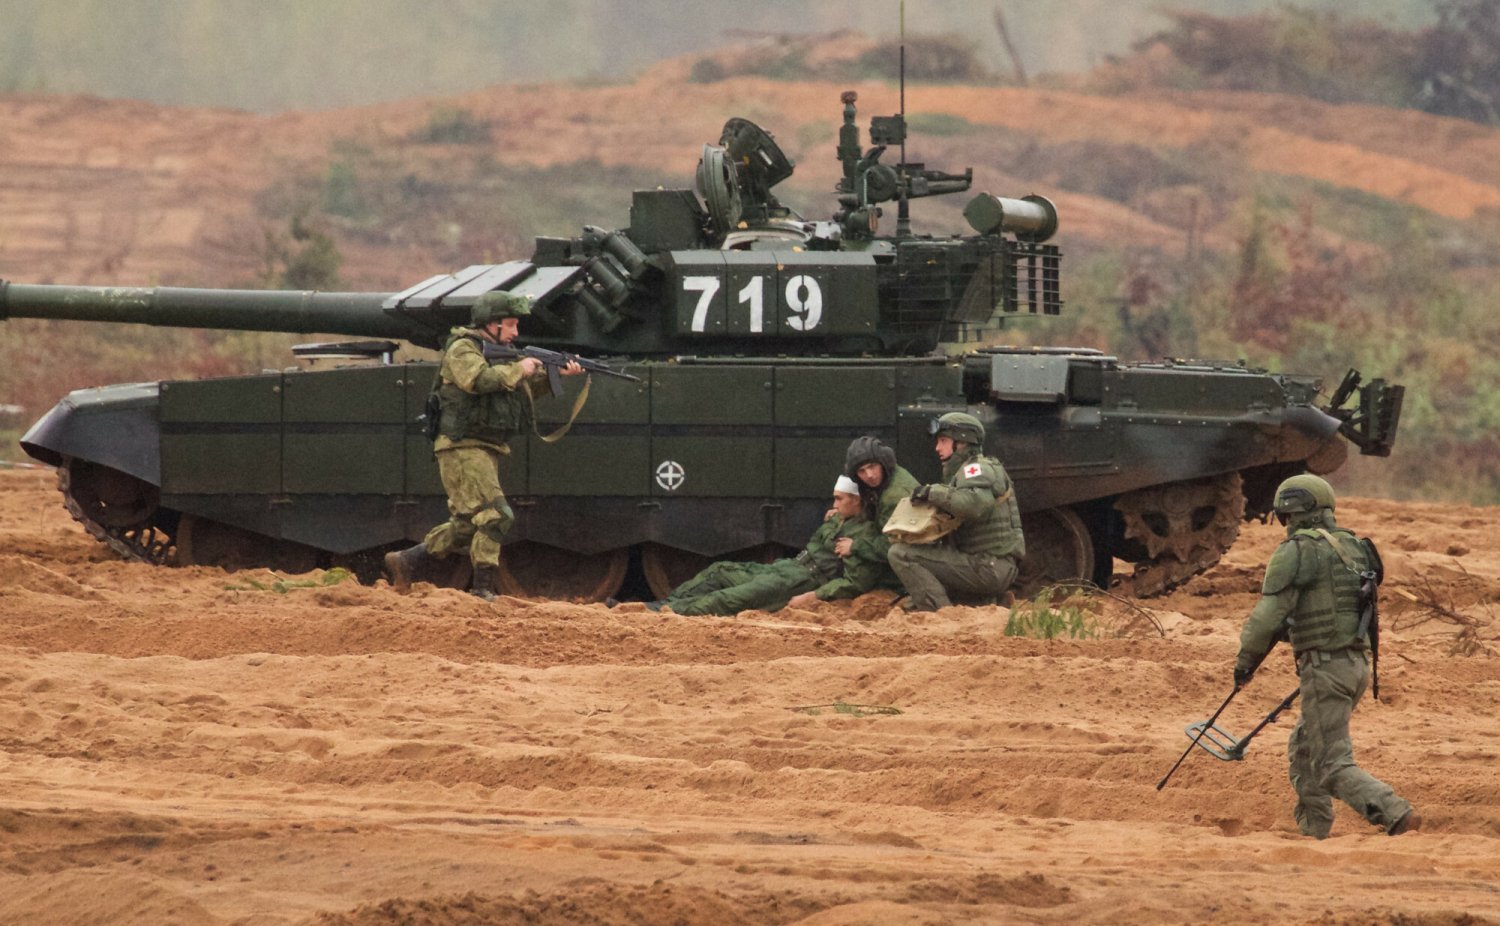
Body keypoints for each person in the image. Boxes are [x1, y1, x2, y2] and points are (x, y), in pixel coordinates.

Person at [1234, 474, 1419, 838]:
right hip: (1356, 667)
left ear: (1289, 513)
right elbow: (1336, 610)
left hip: (1326, 669)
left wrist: (1244, 663)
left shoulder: (1297, 551)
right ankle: (1314, 828)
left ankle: (1393, 811)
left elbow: (1266, 617)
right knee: (1305, 749)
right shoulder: (1353, 546)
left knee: (1331, 764)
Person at [384, 290, 582, 601]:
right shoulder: (463, 349)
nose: (516, 332)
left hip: (484, 446)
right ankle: (482, 590)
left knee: (465, 525)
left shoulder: (503, 353)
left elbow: (520, 393)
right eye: (511, 324)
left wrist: (558, 375)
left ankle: (406, 561)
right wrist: (520, 368)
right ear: (491, 324)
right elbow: (476, 381)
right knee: (497, 514)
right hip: (461, 445)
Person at [656, 475, 890, 616]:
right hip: (787, 568)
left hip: (800, 582)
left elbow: (854, 583)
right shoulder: (840, 519)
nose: (834, 504)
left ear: (856, 500)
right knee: (720, 571)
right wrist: (836, 519)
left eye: (839, 499)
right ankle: (664, 605)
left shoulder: (864, 535)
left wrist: (814, 596)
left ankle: (657, 612)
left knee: (725, 600)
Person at [888, 411, 1024, 611]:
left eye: (943, 441)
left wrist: (932, 492)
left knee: (901, 554)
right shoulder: (966, 473)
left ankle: (942, 615)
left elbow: (973, 505)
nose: (937, 448)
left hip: (989, 567)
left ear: (962, 443)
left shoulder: (977, 469)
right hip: (986, 565)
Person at [843, 435, 920, 566]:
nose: (869, 475)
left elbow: (890, 546)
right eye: (862, 471)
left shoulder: (893, 496)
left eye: (872, 466)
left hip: (909, 560)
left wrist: (854, 546)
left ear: (883, 462)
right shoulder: (890, 474)